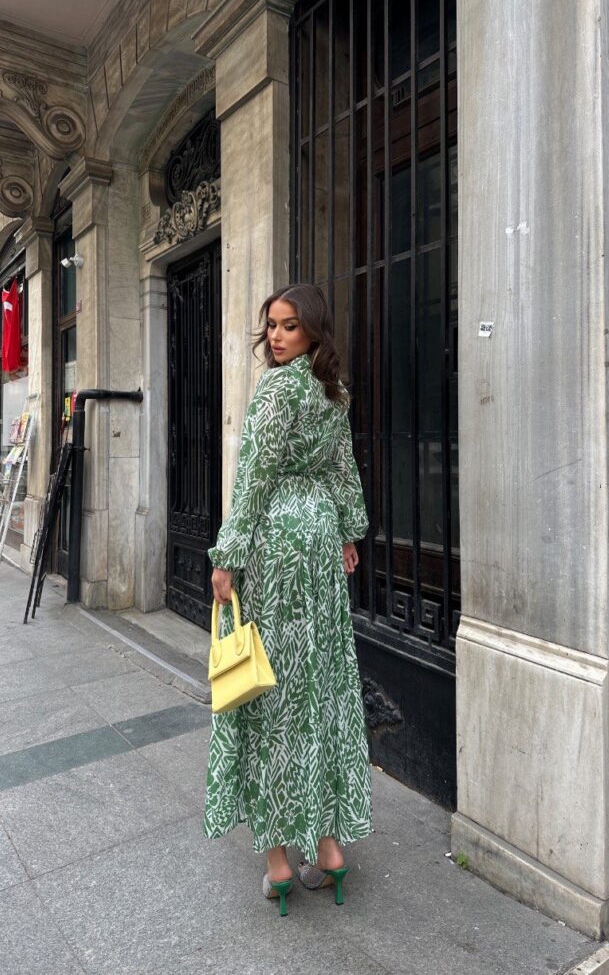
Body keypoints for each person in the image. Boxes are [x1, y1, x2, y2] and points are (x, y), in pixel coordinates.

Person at [203, 283, 373, 917]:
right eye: (271, 325)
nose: (276, 336)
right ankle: (327, 849)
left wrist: (228, 556)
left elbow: (252, 476)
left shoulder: (278, 391)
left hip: (277, 542)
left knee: (271, 692)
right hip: (321, 540)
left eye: (290, 327)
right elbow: (343, 470)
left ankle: (279, 862)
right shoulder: (334, 393)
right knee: (319, 688)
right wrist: (349, 531)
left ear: (314, 334)